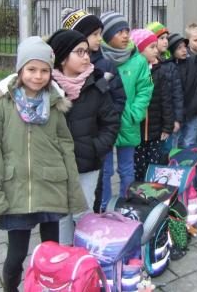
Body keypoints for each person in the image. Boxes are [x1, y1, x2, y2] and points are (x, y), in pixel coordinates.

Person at [0, 36, 87, 291]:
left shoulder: (55, 104)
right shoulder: (2, 104)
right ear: (20, 70)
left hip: (51, 186)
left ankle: (48, 287)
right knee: (16, 256)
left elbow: (65, 148)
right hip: (16, 191)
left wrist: (74, 194)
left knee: (52, 254)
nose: (38, 76)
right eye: (31, 69)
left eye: (44, 70)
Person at [47, 29, 121, 245]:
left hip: (87, 163)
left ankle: (85, 259)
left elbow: (111, 123)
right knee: (61, 214)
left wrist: (95, 147)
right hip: (58, 166)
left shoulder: (97, 84)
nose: (86, 57)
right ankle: (64, 258)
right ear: (62, 57)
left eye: (87, 52)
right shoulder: (48, 87)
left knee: (83, 213)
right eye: (79, 52)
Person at [95, 11, 154, 211]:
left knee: (127, 168)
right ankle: (103, 205)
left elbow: (145, 88)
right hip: (103, 124)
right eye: (119, 31)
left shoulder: (137, 60)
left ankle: (125, 204)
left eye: (127, 30)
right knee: (105, 170)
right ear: (106, 35)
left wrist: (135, 112)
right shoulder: (98, 58)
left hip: (128, 121)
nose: (125, 35)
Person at [60, 8, 126, 113]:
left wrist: (108, 123)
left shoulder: (106, 66)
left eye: (100, 33)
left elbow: (119, 99)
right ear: (80, 35)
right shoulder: (61, 66)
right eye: (95, 34)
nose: (100, 38)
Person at [129, 29, 174, 180]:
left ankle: (151, 192)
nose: (156, 50)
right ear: (139, 49)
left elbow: (166, 100)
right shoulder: (131, 71)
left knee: (153, 165)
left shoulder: (160, 71)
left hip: (156, 131)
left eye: (156, 46)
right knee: (137, 165)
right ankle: (136, 192)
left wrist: (167, 126)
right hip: (137, 131)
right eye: (152, 47)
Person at [169, 32, 197, 148]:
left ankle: (190, 164)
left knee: (190, 141)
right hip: (174, 113)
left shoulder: (194, 61)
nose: (184, 50)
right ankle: (174, 164)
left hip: (192, 110)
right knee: (174, 142)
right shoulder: (168, 66)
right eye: (179, 48)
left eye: (184, 47)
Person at [146, 21, 184, 149]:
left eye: (166, 38)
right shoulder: (145, 64)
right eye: (161, 38)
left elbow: (177, 94)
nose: (166, 42)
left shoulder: (170, 64)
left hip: (168, 120)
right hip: (151, 122)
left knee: (166, 151)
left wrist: (177, 119)